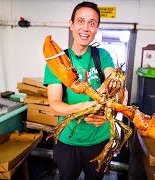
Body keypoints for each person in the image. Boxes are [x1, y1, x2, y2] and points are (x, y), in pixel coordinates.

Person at [44, 1, 123, 180]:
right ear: (71, 24)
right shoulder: (57, 62)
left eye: (92, 23)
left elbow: (113, 80)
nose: (85, 28)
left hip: (100, 140)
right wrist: (86, 106)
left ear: (96, 29)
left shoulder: (102, 55)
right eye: (80, 21)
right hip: (68, 141)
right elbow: (55, 106)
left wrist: (108, 108)